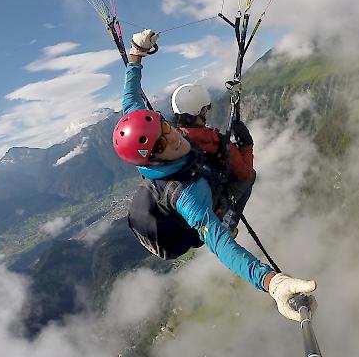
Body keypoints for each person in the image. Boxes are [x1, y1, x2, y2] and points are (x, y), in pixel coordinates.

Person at [113, 29, 316, 322]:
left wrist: (136, 53)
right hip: (188, 226)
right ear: (152, 160)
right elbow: (222, 244)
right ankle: (229, 217)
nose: (171, 139)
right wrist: (272, 282)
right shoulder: (188, 195)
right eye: (160, 145)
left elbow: (130, 97)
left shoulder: (140, 126)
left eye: (165, 129)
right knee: (247, 180)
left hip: (165, 205)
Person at [170, 82, 255, 237]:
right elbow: (245, 173)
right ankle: (227, 223)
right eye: (206, 108)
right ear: (200, 111)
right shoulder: (216, 142)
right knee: (251, 176)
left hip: (182, 206)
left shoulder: (172, 138)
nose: (207, 112)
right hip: (210, 205)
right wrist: (247, 145)